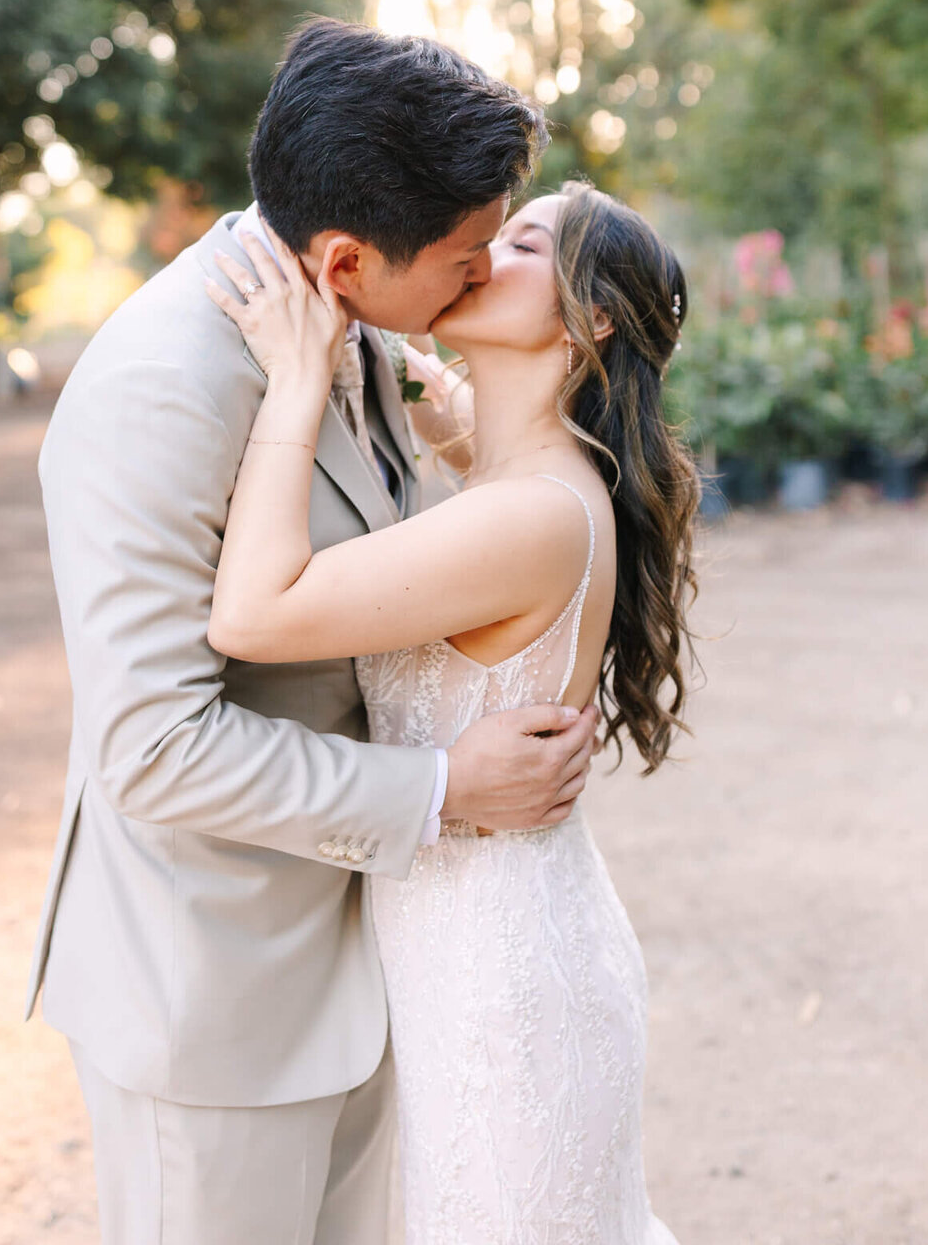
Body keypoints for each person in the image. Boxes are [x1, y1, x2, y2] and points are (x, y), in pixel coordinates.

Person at [25, 18, 602, 1245]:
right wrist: (444, 786)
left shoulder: (358, 325)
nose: (482, 272)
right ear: (345, 261)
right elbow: (152, 746)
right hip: (216, 993)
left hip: (366, 958)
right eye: (461, 254)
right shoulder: (164, 389)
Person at [206, 178, 699, 1244]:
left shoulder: (530, 515)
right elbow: (466, 426)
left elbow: (251, 612)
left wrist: (297, 381)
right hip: (480, 954)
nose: (476, 254)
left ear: (591, 315)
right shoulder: (528, 467)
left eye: (519, 243)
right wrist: (383, 355)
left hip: (506, 989)